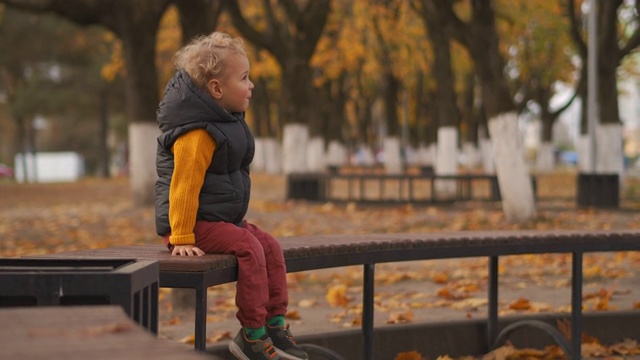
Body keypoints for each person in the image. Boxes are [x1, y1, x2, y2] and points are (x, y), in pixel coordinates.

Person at [155, 31, 308, 360]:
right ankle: (251, 335)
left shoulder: (225, 123)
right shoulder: (198, 133)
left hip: (218, 219)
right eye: (244, 78)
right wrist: (181, 236)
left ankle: (275, 324)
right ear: (216, 89)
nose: (251, 85)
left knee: (270, 246)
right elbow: (183, 186)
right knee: (250, 248)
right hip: (192, 225)